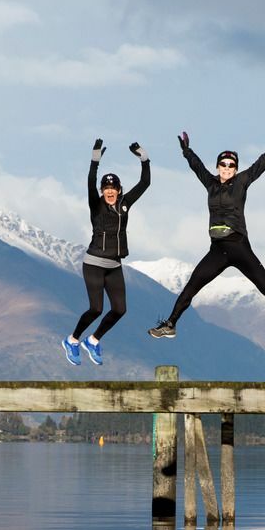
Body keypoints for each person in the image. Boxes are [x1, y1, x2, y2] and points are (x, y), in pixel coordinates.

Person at [148, 126, 265, 339]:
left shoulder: (242, 181)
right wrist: (186, 150)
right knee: (191, 287)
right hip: (217, 250)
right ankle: (170, 325)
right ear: (217, 167)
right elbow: (196, 166)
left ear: (235, 169)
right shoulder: (211, 183)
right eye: (223, 164)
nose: (227, 167)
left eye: (231, 165)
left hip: (239, 246)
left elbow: (262, 162)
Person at [65, 138, 150, 366]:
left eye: (113, 189)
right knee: (96, 309)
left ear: (119, 190)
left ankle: (93, 340)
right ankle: (72, 340)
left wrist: (143, 157)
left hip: (114, 265)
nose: (109, 191)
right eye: (106, 189)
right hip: (93, 263)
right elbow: (90, 181)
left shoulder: (124, 204)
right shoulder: (96, 204)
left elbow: (145, 183)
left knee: (120, 309)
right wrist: (95, 161)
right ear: (102, 192)